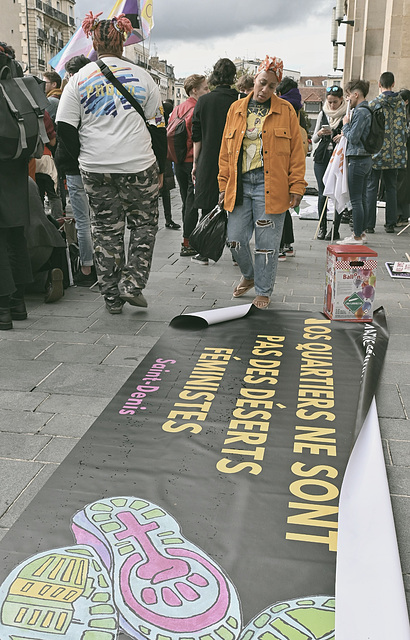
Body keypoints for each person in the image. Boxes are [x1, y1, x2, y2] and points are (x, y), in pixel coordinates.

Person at [56, 11, 166, 313]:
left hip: (96, 167)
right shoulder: (144, 78)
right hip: (138, 165)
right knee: (144, 225)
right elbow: (157, 126)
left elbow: (64, 125)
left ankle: (111, 296)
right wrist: (162, 168)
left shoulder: (78, 79)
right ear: (123, 41)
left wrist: (83, 154)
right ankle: (132, 284)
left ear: (93, 40)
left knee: (106, 229)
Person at [218, 55, 306, 309]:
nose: (265, 90)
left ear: (277, 87)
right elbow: (225, 151)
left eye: (271, 86)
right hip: (240, 185)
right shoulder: (235, 109)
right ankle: (249, 275)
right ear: (254, 80)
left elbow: (296, 152)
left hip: (271, 186)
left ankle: (264, 290)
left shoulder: (286, 111)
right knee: (234, 239)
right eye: (262, 83)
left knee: (267, 245)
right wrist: (223, 185)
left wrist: (297, 185)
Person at [191, 58, 238, 265]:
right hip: (235, 158)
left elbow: (197, 135)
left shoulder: (204, 101)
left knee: (208, 205)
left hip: (209, 159)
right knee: (237, 208)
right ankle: (238, 253)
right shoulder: (240, 100)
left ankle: (204, 251)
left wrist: (195, 162)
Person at [55, 54, 97, 287]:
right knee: (99, 219)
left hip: (75, 166)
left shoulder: (71, 96)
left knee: (82, 220)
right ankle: (102, 263)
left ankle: (87, 267)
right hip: (97, 164)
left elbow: (65, 132)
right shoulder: (95, 95)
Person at [0, 43, 33, 330]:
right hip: (16, 164)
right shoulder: (15, 81)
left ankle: (2, 310)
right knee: (14, 233)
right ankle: (18, 302)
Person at [167, 74, 209, 257]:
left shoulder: (178, 109)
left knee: (186, 201)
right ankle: (188, 243)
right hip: (193, 161)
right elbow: (197, 137)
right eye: (205, 88)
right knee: (192, 204)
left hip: (178, 161)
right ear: (194, 90)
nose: (208, 91)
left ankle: (188, 240)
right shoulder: (197, 109)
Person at [366, 71, 407, 233]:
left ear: (379, 84)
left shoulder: (374, 103)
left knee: (371, 188)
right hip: (395, 153)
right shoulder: (401, 104)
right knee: (391, 188)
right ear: (394, 83)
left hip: (376, 151)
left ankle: (369, 225)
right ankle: (390, 223)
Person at [275, 76, 309, 259]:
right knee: (285, 205)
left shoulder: (282, 106)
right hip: (296, 159)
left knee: (279, 204)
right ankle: (287, 244)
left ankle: (280, 245)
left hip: (282, 160)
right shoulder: (298, 107)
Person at [336, 79, 372, 245]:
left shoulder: (360, 112)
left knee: (356, 199)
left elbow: (353, 137)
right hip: (366, 159)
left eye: (348, 95)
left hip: (357, 159)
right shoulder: (368, 110)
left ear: (356, 94)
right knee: (362, 198)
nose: (348, 99)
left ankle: (357, 235)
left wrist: (345, 126)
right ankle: (362, 232)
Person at [312, 86, 346, 239]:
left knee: (337, 192)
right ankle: (322, 227)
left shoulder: (347, 114)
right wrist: (320, 133)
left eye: (335, 102)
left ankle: (335, 229)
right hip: (322, 157)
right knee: (322, 193)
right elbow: (314, 139)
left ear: (341, 100)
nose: (332, 105)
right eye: (329, 102)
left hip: (338, 158)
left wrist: (342, 136)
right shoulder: (323, 113)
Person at [161, 99, 180, 230]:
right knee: (165, 192)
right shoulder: (167, 123)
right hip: (164, 159)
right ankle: (168, 219)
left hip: (155, 158)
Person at [397, 89, 410, 227]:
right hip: (404, 154)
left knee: (402, 186)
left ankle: (402, 215)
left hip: (405, 154)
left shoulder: (405, 117)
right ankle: (402, 215)